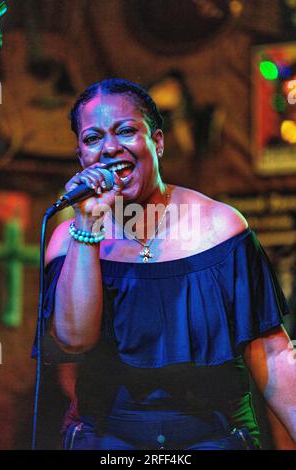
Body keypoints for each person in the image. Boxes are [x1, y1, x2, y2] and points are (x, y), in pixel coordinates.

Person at [34, 78, 296, 450]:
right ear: (81, 158)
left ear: (157, 142)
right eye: (93, 138)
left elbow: (272, 354)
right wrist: (88, 227)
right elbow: (74, 342)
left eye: (125, 131)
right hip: (109, 440)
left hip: (214, 438)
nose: (110, 147)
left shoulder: (221, 228)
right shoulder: (68, 240)